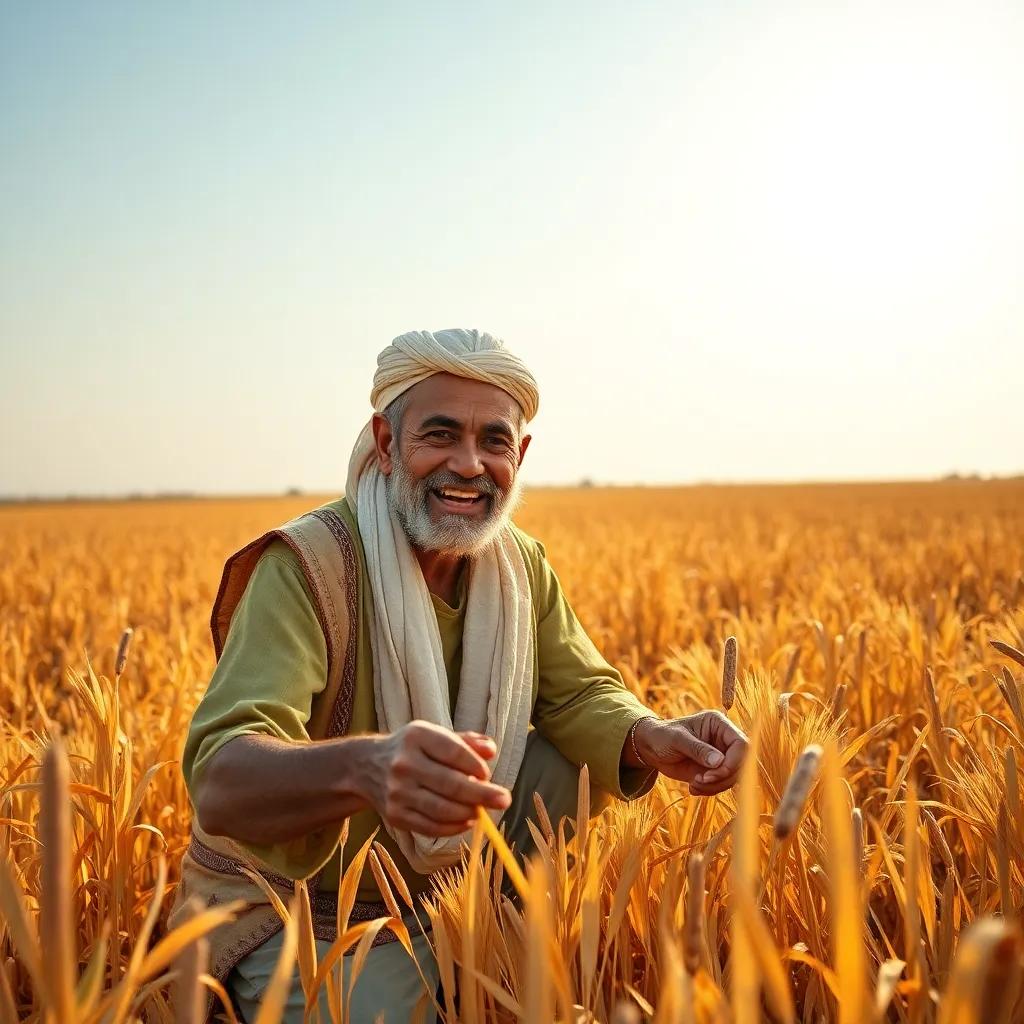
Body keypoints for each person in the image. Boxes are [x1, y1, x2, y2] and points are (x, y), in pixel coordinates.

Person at [167, 328, 748, 1023]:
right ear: (385, 443)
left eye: (494, 442)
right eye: (439, 435)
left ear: (520, 454)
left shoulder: (518, 566)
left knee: (577, 758)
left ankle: (485, 921)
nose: (469, 466)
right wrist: (367, 767)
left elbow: (581, 691)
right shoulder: (307, 567)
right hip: (306, 906)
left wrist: (649, 736)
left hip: (453, 876)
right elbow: (222, 778)